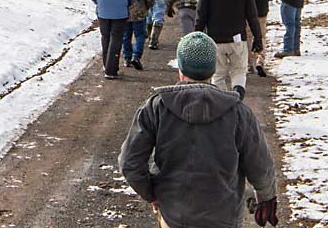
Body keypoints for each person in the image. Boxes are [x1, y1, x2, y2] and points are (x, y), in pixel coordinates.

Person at [119, 32, 279, 228]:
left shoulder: (157, 108)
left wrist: (153, 194)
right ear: (213, 69)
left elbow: (130, 162)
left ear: (180, 67)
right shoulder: (238, 112)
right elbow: (260, 165)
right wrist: (267, 197)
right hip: (224, 216)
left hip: (174, 215)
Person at [195, 0, 262, 98]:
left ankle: (221, 103)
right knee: (238, 72)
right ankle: (237, 97)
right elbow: (252, 16)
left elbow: (201, 15)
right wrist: (258, 38)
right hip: (237, 39)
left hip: (215, 39)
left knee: (218, 75)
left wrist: (197, 36)